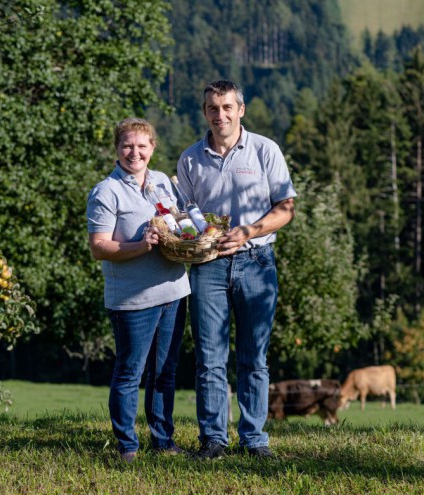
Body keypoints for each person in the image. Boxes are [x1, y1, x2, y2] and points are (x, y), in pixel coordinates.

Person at [176, 80, 296, 459]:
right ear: (205, 112)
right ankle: (213, 439)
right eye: (213, 108)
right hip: (207, 267)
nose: (220, 115)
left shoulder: (265, 150)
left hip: (257, 263)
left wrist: (249, 231)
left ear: (240, 110)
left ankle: (254, 440)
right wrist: (188, 234)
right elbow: (184, 217)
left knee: (253, 356)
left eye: (227, 107)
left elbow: (286, 209)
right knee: (209, 357)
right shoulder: (190, 159)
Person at [87, 118, 190, 463]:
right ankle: (127, 446)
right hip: (134, 300)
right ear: (117, 150)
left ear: (152, 148)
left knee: (165, 371)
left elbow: (176, 220)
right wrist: (139, 245)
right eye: (128, 146)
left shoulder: (162, 181)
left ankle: (163, 441)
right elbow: (99, 247)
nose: (135, 152)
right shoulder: (106, 192)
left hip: (174, 291)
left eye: (142, 145)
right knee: (130, 372)